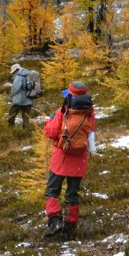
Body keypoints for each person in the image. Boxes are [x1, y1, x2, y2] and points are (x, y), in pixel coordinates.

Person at [42, 81, 97, 238]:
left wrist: (49, 121)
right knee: (72, 194)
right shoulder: (89, 112)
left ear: (70, 93)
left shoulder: (63, 111)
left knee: (52, 190)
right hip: (80, 160)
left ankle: (55, 221)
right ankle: (70, 228)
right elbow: (91, 130)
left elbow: (51, 133)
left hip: (61, 158)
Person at [8, 63, 34, 129]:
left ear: (16, 70)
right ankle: (27, 131)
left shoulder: (19, 76)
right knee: (26, 117)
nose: (13, 74)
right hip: (29, 99)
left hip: (19, 100)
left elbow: (16, 88)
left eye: (13, 72)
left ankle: (10, 128)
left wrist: (12, 94)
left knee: (12, 113)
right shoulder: (28, 74)